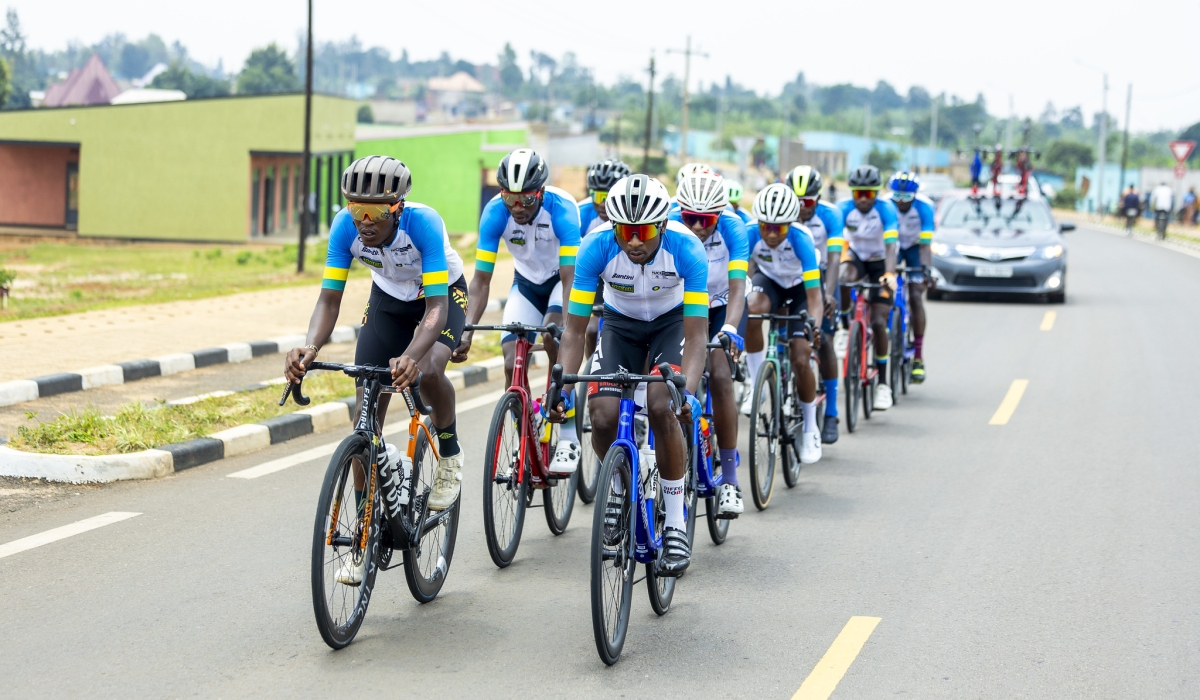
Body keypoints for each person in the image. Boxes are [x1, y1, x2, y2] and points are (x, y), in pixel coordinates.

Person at [284, 156, 467, 583]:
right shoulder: (344, 227)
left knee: (431, 369)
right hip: (387, 299)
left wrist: (413, 356)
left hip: (437, 298)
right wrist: (309, 347)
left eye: (376, 213)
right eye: (355, 209)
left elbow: (437, 309)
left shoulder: (423, 223)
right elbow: (329, 301)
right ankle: (366, 533)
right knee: (365, 414)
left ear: (397, 208)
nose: (364, 221)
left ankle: (450, 454)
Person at [548, 174, 709, 576]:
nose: (634, 241)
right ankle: (618, 487)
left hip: (671, 325)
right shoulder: (596, 247)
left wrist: (685, 393)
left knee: (662, 404)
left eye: (643, 232)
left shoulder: (686, 248)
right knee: (601, 415)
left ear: (662, 226)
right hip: (620, 327)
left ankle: (674, 521)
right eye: (625, 231)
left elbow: (697, 334)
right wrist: (563, 390)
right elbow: (572, 329)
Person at [454, 148, 583, 472]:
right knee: (512, 358)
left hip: (559, 281)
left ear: (540, 192)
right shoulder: (495, 212)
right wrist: (466, 329)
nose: (517, 207)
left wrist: (568, 328)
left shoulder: (563, 209)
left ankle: (567, 430)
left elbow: (570, 278)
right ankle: (522, 440)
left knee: (554, 337)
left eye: (525, 200)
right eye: (510, 198)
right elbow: (481, 280)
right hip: (525, 283)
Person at [670, 169, 749, 515]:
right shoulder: (669, 222)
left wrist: (730, 327)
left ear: (720, 214)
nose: (699, 227)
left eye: (706, 220)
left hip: (719, 307)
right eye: (691, 218)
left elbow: (737, 288)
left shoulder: (734, 228)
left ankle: (730, 480)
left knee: (719, 375)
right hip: (682, 306)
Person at [743, 183, 825, 463]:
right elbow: (741, 280)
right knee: (751, 309)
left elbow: (815, 297)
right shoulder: (750, 233)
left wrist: (812, 326)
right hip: (771, 282)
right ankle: (756, 385)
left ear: (791, 223)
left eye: (780, 228)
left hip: (801, 289)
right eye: (767, 226)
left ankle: (811, 427)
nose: (772, 233)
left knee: (801, 357)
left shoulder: (802, 239)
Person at [782, 166, 845, 444]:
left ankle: (830, 412)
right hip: (787, 278)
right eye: (795, 201)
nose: (800, 208)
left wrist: (829, 293)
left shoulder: (830, 216)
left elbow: (834, 259)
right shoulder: (781, 217)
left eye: (806, 202)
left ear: (817, 200)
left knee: (826, 340)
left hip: (819, 277)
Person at [837, 165, 900, 411]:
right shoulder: (843, 209)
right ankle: (845, 327)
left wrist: (890, 273)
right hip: (857, 258)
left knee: (877, 322)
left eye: (869, 194)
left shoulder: (886, 210)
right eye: (859, 193)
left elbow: (892, 246)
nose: (863, 199)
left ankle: (883, 385)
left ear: (877, 193)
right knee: (843, 278)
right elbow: (836, 244)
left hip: (880, 262)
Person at [578, 159, 632, 362]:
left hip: (627, 276)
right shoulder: (581, 214)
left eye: (608, 196)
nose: (602, 203)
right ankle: (593, 372)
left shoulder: (634, 215)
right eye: (597, 195)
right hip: (597, 276)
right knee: (591, 331)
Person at [887, 170, 935, 384]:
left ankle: (918, 356)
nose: (900, 202)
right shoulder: (886, 206)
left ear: (915, 196)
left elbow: (926, 246)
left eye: (906, 197)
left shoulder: (925, 208)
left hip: (916, 248)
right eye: (896, 196)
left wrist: (925, 270)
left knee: (916, 296)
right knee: (883, 286)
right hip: (893, 247)